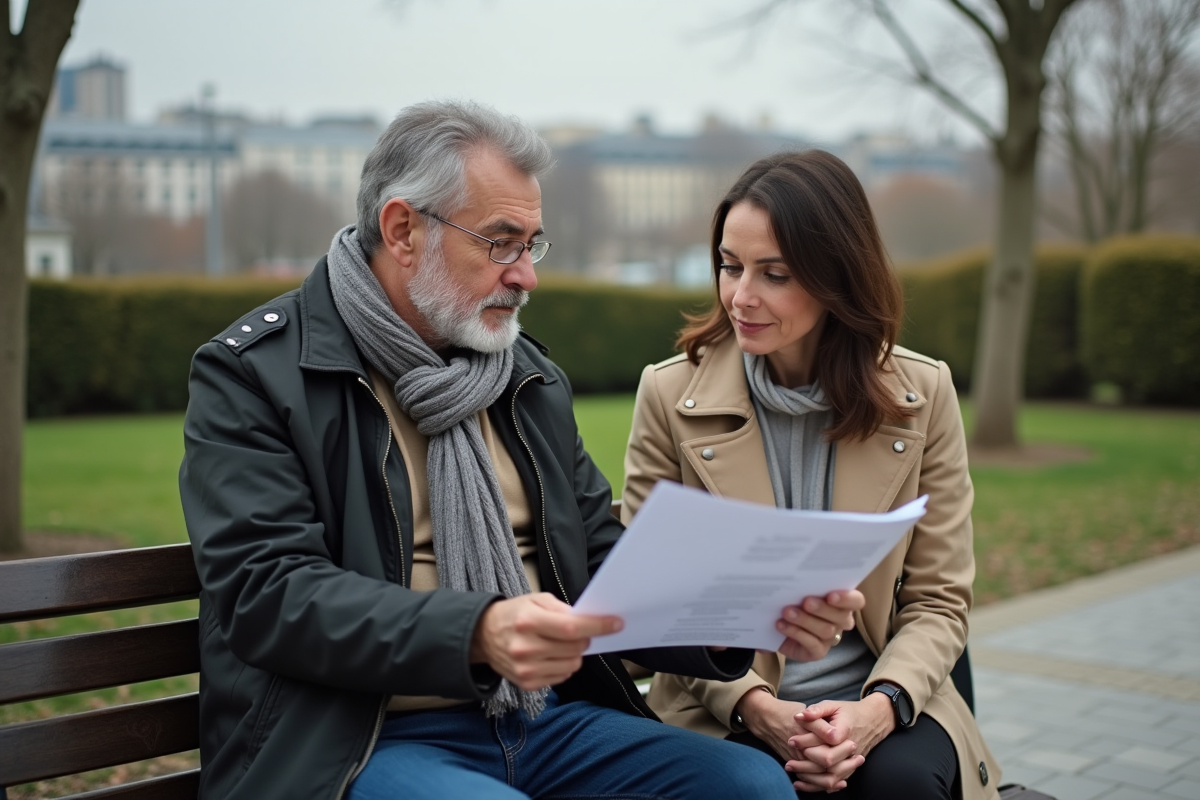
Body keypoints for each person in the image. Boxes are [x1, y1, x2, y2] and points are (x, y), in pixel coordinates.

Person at [179, 101, 858, 800]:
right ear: (403, 229)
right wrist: (476, 631)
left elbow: (597, 558)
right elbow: (269, 593)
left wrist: (740, 612)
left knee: (746, 785)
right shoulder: (256, 374)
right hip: (354, 739)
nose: (525, 275)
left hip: (540, 723)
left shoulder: (524, 377)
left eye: (531, 244)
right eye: (501, 242)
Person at [621, 150, 1002, 799]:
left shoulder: (923, 393)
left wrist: (877, 710)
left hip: (886, 699)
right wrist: (757, 707)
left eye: (774, 274)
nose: (741, 296)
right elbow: (651, 603)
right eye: (729, 265)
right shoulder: (668, 394)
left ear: (836, 276)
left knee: (899, 788)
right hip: (724, 706)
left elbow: (939, 601)